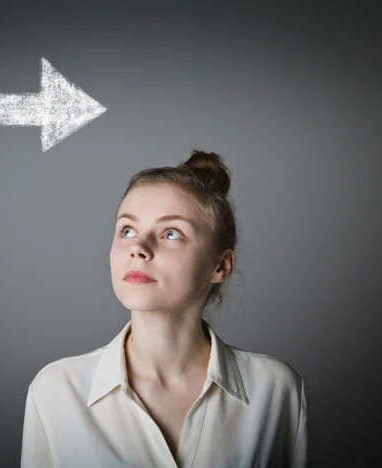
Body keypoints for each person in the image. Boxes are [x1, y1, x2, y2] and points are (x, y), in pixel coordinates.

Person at [20, 149, 307, 468]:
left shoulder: (276, 389)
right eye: (127, 230)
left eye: (171, 233)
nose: (138, 249)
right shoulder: (56, 392)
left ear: (220, 265)